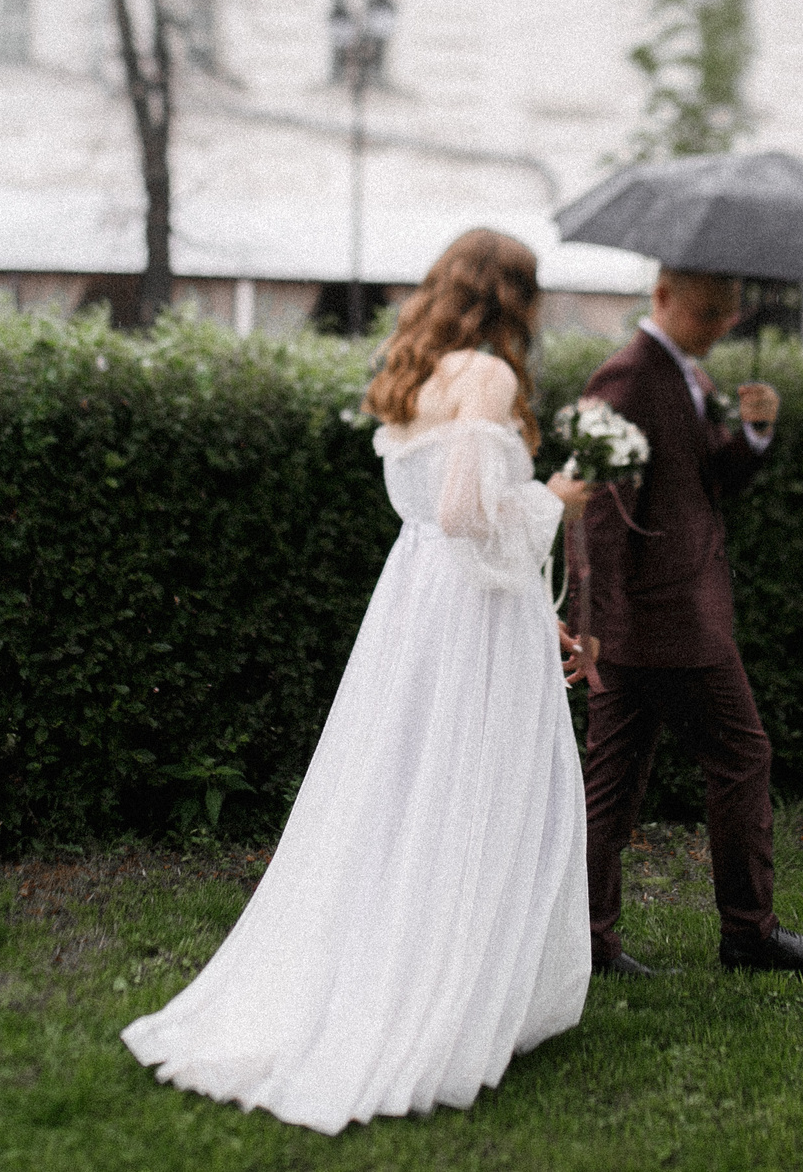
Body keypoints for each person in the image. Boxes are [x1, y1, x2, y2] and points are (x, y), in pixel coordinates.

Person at [121, 228, 601, 1135]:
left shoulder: (413, 375)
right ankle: (447, 993)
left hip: (423, 608)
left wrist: (541, 614)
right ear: (515, 296)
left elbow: (434, 518)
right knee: (473, 794)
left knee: (404, 794)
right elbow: (467, 513)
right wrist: (559, 498)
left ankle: (411, 965)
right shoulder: (488, 376)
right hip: (465, 618)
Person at [569, 267, 803, 978]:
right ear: (662, 296)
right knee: (741, 756)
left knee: (610, 783)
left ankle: (589, 944)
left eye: (728, 313)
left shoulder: (680, 371)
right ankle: (749, 935)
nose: (720, 324)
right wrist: (591, 617)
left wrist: (751, 434)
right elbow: (599, 507)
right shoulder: (628, 377)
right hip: (667, 620)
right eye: (706, 311)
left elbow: (700, 482)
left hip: (645, 621)